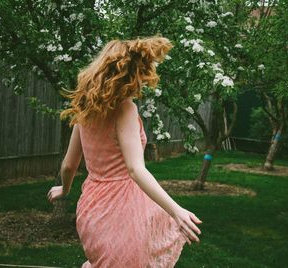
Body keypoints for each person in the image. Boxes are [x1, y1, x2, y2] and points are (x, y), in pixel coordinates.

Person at [46, 36, 203, 267]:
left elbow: (69, 165)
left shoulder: (86, 109)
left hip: (91, 207)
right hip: (122, 207)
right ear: (130, 75)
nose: (144, 80)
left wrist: (64, 189)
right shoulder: (125, 109)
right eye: (142, 73)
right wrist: (176, 210)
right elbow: (135, 169)